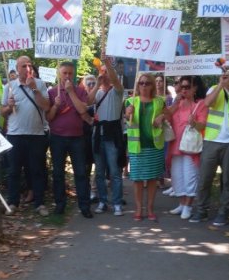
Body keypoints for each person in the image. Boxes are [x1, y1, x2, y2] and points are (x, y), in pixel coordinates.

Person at [189, 66, 229, 226]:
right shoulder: (213, 88)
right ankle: (201, 210)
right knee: (204, 178)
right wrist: (220, 86)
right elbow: (208, 103)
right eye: (226, 72)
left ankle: (224, 212)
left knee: (228, 179)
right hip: (212, 138)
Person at [1, 56, 50, 216]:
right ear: (17, 68)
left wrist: (34, 88)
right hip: (15, 135)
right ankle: (13, 202)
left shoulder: (41, 84)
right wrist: (9, 107)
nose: (28, 68)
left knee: (37, 170)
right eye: (24, 66)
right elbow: (2, 112)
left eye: (29, 65)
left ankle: (39, 203)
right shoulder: (9, 87)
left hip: (36, 135)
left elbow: (46, 106)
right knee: (14, 170)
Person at [46, 62, 92, 218]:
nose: (67, 76)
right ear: (59, 74)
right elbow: (49, 117)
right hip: (57, 138)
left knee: (80, 172)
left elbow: (83, 110)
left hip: (77, 137)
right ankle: (60, 205)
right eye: (64, 73)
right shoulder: (52, 92)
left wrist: (71, 92)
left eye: (70, 73)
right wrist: (55, 106)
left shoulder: (79, 91)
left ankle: (84, 206)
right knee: (58, 173)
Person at [123, 73, 167, 221]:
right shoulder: (130, 101)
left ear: (152, 85)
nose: (144, 86)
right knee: (137, 179)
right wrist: (127, 114)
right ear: (137, 85)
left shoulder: (159, 101)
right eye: (141, 83)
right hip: (137, 147)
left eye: (147, 83)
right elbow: (126, 118)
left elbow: (168, 115)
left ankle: (149, 209)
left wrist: (162, 117)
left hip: (154, 145)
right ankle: (138, 209)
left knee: (153, 179)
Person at [88, 55, 125, 216]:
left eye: (106, 72)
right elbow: (89, 101)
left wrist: (107, 64)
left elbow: (116, 81)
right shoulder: (97, 92)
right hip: (98, 134)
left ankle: (117, 203)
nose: (104, 74)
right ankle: (103, 201)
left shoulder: (117, 90)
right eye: (101, 72)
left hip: (112, 135)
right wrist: (97, 83)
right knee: (99, 172)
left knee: (115, 171)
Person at [167, 76, 207, 219]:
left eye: (187, 87)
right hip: (175, 145)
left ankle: (188, 206)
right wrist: (174, 103)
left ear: (195, 88)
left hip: (191, 147)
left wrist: (194, 123)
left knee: (190, 177)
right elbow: (165, 117)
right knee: (177, 177)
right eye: (181, 87)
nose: (183, 90)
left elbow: (203, 125)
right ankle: (182, 204)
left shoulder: (200, 104)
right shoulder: (178, 102)